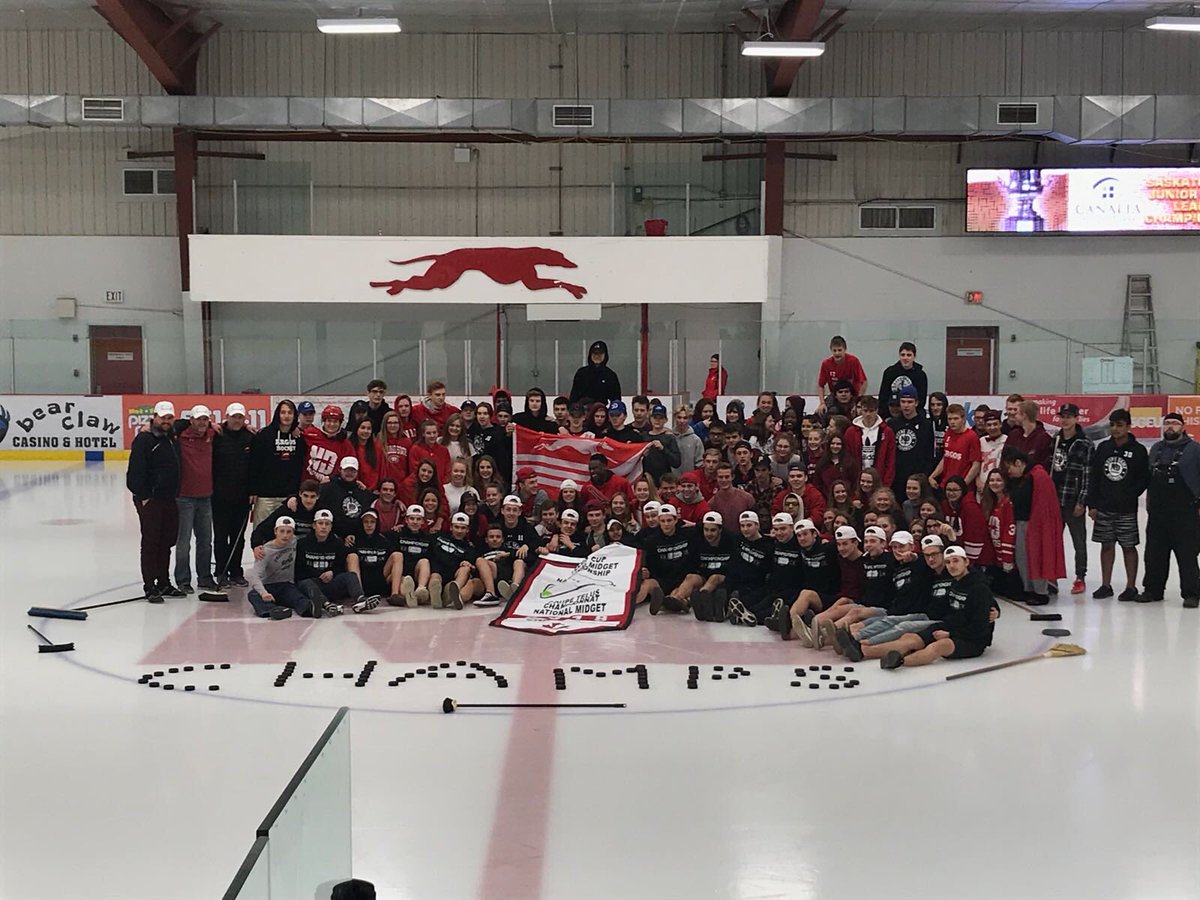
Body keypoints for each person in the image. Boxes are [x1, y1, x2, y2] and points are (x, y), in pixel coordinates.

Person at [875, 546, 997, 670]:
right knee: (910, 638)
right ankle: (864, 650)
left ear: (966, 562)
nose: (952, 566)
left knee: (938, 647)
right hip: (950, 626)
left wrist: (950, 634)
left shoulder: (979, 587)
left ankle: (900, 661)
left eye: (956, 561)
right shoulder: (956, 581)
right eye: (948, 562)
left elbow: (980, 627)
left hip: (972, 639)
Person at [1088, 409, 1150, 601]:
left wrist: (1129, 495)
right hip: (1104, 507)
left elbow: (1144, 479)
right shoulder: (1103, 449)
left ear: (1128, 426)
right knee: (1106, 546)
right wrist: (1092, 504)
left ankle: (1131, 586)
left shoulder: (1138, 451)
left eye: (1120, 425)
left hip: (1126, 509)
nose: (1115, 429)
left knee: (1128, 546)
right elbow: (1094, 477)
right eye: (1112, 425)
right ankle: (1106, 585)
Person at [127, 399, 182, 602]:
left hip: (170, 498)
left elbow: (186, 422)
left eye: (170, 417)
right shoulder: (144, 440)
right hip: (151, 500)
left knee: (166, 542)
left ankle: (164, 582)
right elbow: (134, 472)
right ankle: (150, 586)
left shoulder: (171, 436)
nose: (167, 421)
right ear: (154, 418)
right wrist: (143, 496)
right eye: (163, 418)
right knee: (151, 542)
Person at [1143, 412, 1200, 607]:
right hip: (1159, 510)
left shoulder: (1195, 450)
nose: (1170, 427)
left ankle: (1191, 594)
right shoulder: (1156, 449)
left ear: (1182, 427)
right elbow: (1149, 478)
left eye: (1174, 424)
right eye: (1167, 423)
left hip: (1185, 510)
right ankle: (1153, 590)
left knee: (1187, 554)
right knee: (1154, 553)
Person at [1004, 446, 1065, 605]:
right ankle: (1028, 589)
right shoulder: (1023, 478)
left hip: (1035, 524)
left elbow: (1044, 505)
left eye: (1009, 467)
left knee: (1037, 557)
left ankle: (1040, 591)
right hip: (1022, 522)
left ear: (1018, 463)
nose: (1008, 471)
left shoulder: (1039, 476)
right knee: (1022, 558)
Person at [294, 510, 381, 616]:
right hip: (312, 585)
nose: (323, 527)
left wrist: (332, 573)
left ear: (331, 527)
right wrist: (317, 577)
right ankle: (326, 605)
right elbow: (299, 571)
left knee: (351, 576)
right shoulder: (302, 544)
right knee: (306, 582)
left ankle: (360, 600)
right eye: (320, 523)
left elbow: (341, 566)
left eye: (327, 524)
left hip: (331, 583)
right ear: (314, 525)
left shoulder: (337, 543)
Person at [174, 404, 219, 594]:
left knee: (205, 540)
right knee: (183, 542)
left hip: (205, 496)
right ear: (190, 420)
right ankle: (183, 579)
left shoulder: (212, 435)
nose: (201, 423)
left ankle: (204, 577)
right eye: (198, 419)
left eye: (205, 419)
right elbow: (169, 425)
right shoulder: (179, 437)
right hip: (184, 497)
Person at [1050, 402, 1093, 595]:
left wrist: (1082, 501)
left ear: (1077, 418)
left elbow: (1087, 474)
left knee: (1078, 540)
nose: (1065, 420)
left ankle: (1080, 576)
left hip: (1073, 499)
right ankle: (1051, 576)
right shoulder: (1055, 439)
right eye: (1063, 416)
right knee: (1053, 539)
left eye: (1069, 416)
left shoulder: (1084, 443)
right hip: (1054, 499)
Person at [212, 402, 254, 587]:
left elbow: (255, 467)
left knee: (238, 537)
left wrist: (254, 490)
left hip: (242, 497)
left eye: (240, 417)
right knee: (220, 536)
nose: (237, 420)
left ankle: (236, 571)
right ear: (227, 417)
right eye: (234, 417)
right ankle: (221, 571)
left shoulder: (250, 437)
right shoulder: (217, 435)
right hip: (219, 497)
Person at [782, 520, 844, 645]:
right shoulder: (800, 549)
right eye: (799, 535)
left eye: (805, 534)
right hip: (813, 597)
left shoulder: (828, 548)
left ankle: (787, 622)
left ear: (815, 534)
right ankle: (794, 630)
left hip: (830, 595)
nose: (802, 538)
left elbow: (843, 544)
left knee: (806, 593)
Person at [248, 399, 306, 526]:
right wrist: (253, 490)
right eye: (283, 412)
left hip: (288, 497)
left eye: (290, 413)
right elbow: (254, 464)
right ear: (277, 414)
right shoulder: (264, 435)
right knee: (261, 534)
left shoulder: (299, 439)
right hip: (265, 497)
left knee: (285, 535)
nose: (286, 416)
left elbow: (299, 467)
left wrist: (295, 494)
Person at [475, 495, 541, 605]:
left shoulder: (527, 528)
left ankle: (515, 588)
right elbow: (483, 546)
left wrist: (526, 546)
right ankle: (491, 594)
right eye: (508, 509)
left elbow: (537, 547)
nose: (511, 513)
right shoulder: (496, 526)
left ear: (520, 512)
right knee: (480, 561)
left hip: (519, 567)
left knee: (519, 562)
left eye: (515, 510)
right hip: (500, 567)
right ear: (502, 510)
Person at [245, 516, 314, 620]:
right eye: (282, 531)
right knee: (253, 595)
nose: (285, 535)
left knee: (298, 596)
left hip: (286, 585)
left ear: (293, 533)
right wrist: (263, 593)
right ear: (275, 531)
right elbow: (254, 575)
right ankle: (273, 610)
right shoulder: (265, 551)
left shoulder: (294, 542)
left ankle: (309, 609)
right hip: (268, 586)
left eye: (289, 532)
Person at [636, 505, 697, 614]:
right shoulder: (651, 541)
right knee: (647, 584)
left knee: (691, 579)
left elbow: (711, 530)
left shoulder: (688, 534)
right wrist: (645, 571)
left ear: (676, 520)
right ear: (659, 521)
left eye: (669, 520)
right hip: (663, 580)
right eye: (663, 521)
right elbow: (648, 565)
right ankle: (627, 605)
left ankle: (673, 601)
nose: (666, 524)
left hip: (683, 579)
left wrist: (696, 525)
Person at [723, 511, 775, 626]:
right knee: (722, 591)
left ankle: (742, 614)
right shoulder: (738, 538)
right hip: (735, 582)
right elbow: (719, 529)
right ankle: (723, 610)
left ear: (757, 525)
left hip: (754, 586)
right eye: (742, 526)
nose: (745, 529)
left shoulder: (769, 545)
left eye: (749, 525)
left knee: (747, 599)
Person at [684, 511, 736, 621]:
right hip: (704, 576)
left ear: (720, 530)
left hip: (724, 578)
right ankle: (677, 600)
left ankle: (702, 599)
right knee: (690, 577)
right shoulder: (698, 542)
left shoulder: (731, 540)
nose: (709, 534)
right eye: (706, 530)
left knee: (714, 577)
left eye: (713, 530)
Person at [886, 386, 935, 496]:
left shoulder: (926, 424)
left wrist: (925, 475)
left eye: (910, 402)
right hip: (897, 477)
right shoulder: (892, 424)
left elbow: (929, 453)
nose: (906, 405)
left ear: (916, 403)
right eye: (903, 402)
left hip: (918, 478)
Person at [317, 457, 376, 543]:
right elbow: (310, 494)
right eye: (347, 470)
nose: (350, 473)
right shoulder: (328, 487)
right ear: (340, 469)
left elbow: (380, 499)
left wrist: (397, 501)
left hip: (357, 538)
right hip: (333, 537)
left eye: (353, 471)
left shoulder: (362, 490)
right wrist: (293, 497)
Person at [428, 513, 481, 609]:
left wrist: (468, 565)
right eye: (457, 527)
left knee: (465, 569)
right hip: (438, 572)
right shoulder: (437, 537)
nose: (459, 531)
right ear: (451, 527)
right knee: (435, 578)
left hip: (454, 575)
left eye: (463, 528)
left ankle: (453, 591)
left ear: (467, 530)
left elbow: (472, 566)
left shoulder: (469, 547)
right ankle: (436, 597)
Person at [351, 510, 403, 604]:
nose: (369, 525)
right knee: (352, 556)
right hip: (361, 581)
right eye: (366, 522)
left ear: (377, 523)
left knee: (398, 555)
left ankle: (395, 594)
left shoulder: (384, 540)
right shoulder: (354, 540)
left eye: (372, 522)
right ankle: (359, 595)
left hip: (381, 578)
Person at [844, 396, 895, 489]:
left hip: (880, 482)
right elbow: (847, 459)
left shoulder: (887, 432)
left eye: (871, 411)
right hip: (857, 482)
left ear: (877, 411)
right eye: (865, 410)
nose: (868, 414)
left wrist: (885, 485)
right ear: (860, 410)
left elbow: (890, 461)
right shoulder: (851, 432)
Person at [930, 403, 981, 491]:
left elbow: (976, 465)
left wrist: (963, 485)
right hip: (945, 485)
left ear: (963, 419)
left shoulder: (971, 436)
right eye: (950, 419)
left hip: (963, 487)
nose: (952, 422)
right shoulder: (948, 433)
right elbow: (946, 457)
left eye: (956, 419)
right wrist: (933, 476)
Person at [393, 504, 436, 606]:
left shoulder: (427, 538)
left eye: (418, 519)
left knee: (424, 561)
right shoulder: (397, 534)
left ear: (423, 521)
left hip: (416, 574)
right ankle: (409, 596)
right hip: (399, 575)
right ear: (406, 520)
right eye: (412, 519)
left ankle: (421, 590)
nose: (415, 522)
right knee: (406, 581)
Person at [815, 335, 867, 416]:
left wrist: (858, 400)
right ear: (831, 350)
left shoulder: (853, 361)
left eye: (839, 350)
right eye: (834, 350)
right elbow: (820, 385)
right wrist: (822, 403)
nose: (837, 353)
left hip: (853, 396)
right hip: (835, 396)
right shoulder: (826, 364)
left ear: (845, 349)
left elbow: (863, 382)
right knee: (821, 412)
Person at [304, 405, 354, 483]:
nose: (332, 424)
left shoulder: (345, 444)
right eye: (329, 421)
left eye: (335, 421)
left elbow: (351, 466)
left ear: (340, 423)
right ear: (324, 421)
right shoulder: (310, 433)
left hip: (330, 488)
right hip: (306, 485)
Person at [569, 340, 622, 405]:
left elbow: (616, 400)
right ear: (590, 355)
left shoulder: (610, 375)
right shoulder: (581, 373)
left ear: (605, 355)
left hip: (601, 411)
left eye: (600, 354)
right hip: (583, 411)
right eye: (595, 353)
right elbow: (574, 396)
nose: (597, 356)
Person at [878, 342, 928, 408]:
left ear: (914, 356)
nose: (905, 358)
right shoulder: (889, 372)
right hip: (892, 412)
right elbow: (883, 397)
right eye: (903, 355)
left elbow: (921, 399)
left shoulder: (921, 375)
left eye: (909, 355)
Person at [1007, 400, 1053, 471]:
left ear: (1024, 415)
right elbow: (1005, 459)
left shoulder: (1044, 438)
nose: (1014, 416)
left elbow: (1044, 466)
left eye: (1017, 413)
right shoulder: (1013, 435)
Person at [708, 462, 754, 532]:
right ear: (716, 478)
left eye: (727, 477)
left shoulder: (747, 498)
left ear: (732, 477)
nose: (724, 480)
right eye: (720, 477)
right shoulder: (712, 503)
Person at [410, 419, 452, 484]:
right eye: (428, 433)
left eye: (434, 432)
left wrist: (441, 485)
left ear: (438, 433)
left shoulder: (444, 450)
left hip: (440, 487)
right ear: (423, 434)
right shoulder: (415, 449)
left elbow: (447, 471)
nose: (432, 436)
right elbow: (414, 471)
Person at [348, 417, 384, 490]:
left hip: (372, 491)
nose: (366, 431)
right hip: (352, 488)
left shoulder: (377, 448)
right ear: (356, 429)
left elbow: (382, 470)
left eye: (369, 428)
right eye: (363, 428)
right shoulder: (348, 447)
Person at [977, 409, 1007, 494]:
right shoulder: (981, 441)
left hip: (1000, 488)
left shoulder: (1007, 441)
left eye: (995, 424)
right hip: (982, 487)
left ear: (1000, 424)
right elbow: (976, 464)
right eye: (989, 425)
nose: (992, 427)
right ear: (985, 426)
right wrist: (978, 482)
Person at [379, 410, 411, 485]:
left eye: (395, 423)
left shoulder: (407, 442)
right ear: (385, 424)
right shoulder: (378, 442)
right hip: (384, 485)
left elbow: (410, 466)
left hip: (402, 484)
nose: (393, 425)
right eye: (389, 423)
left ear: (400, 424)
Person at [672, 404, 705, 475]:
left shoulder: (696, 440)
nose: (682, 421)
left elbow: (700, 463)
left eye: (685, 418)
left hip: (690, 481)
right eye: (679, 417)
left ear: (689, 419)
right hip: (672, 482)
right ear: (674, 418)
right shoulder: (670, 437)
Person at [927, 392, 949, 464]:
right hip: (930, 463)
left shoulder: (951, 424)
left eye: (939, 405)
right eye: (932, 405)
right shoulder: (926, 423)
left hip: (946, 462)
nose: (935, 408)